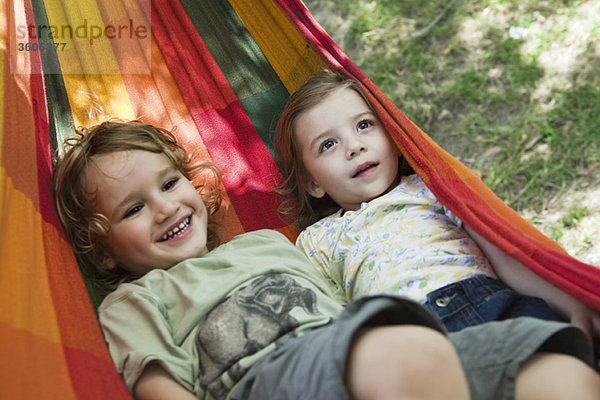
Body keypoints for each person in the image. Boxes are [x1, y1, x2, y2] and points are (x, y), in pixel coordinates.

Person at [52, 119, 600, 400]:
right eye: (133, 209)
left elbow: (345, 303)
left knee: (550, 363)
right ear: (102, 247)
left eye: (170, 182)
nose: (167, 206)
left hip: (358, 347)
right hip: (272, 379)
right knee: (398, 349)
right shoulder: (134, 301)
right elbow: (159, 387)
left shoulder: (266, 242)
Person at [274, 70, 600, 343]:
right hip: (405, 347)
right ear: (312, 183)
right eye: (328, 144)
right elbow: (331, 324)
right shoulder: (317, 241)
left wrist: (571, 304)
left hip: (488, 305)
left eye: (364, 125)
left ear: (394, 137)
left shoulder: (432, 187)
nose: (354, 146)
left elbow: (501, 254)